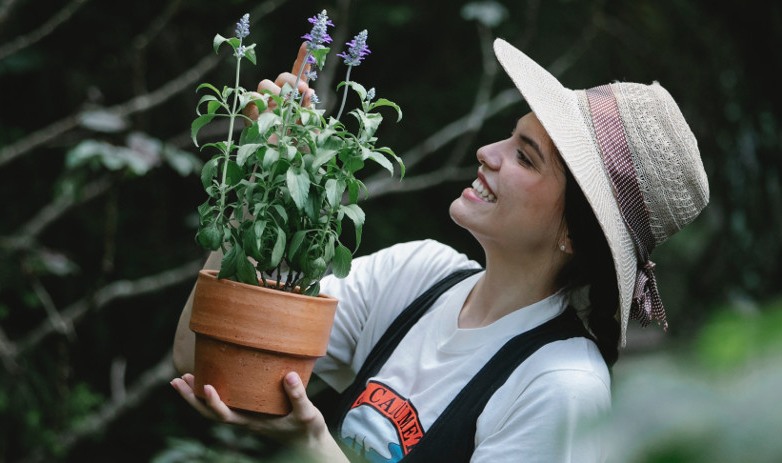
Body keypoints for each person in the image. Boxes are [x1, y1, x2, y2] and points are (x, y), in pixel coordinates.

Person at [171, 38, 709, 462]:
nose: (487, 153)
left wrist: (309, 446)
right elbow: (205, 358)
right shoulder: (420, 275)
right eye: (508, 137)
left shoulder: (559, 385)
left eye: (525, 158)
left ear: (573, 231)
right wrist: (261, 172)